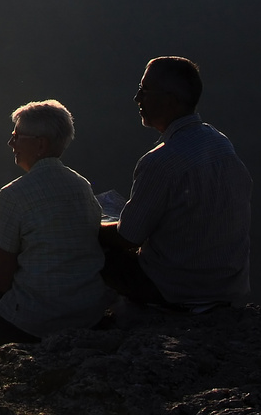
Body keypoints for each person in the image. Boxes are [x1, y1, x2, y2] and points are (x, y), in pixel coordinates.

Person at [0, 100, 113, 373]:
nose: (10, 143)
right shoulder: (81, 185)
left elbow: (1, 281)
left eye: (16, 136)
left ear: (40, 144)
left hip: (36, 328)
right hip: (85, 316)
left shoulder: (14, 194)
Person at [99, 57, 252, 309]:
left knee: (90, 250)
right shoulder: (221, 143)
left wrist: (88, 227)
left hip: (176, 289)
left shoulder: (160, 161)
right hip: (228, 288)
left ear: (171, 99)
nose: (137, 98)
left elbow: (128, 238)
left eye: (145, 90)